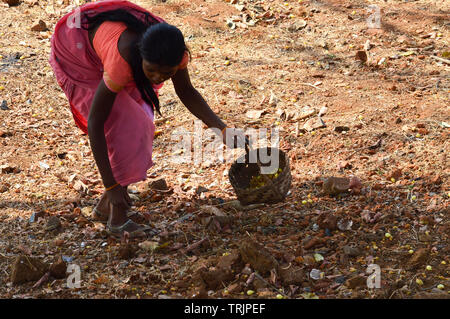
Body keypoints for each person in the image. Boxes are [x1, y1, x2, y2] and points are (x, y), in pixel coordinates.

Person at [49, 0, 248, 238]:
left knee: (140, 117)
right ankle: (117, 217)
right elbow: (96, 121)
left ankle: (106, 206)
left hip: (110, 51)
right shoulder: (122, 60)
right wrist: (110, 185)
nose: (157, 78)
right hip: (76, 50)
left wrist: (223, 130)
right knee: (131, 127)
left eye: (167, 73)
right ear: (141, 56)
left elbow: (186, 92)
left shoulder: (175, 53)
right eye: (151, 70)